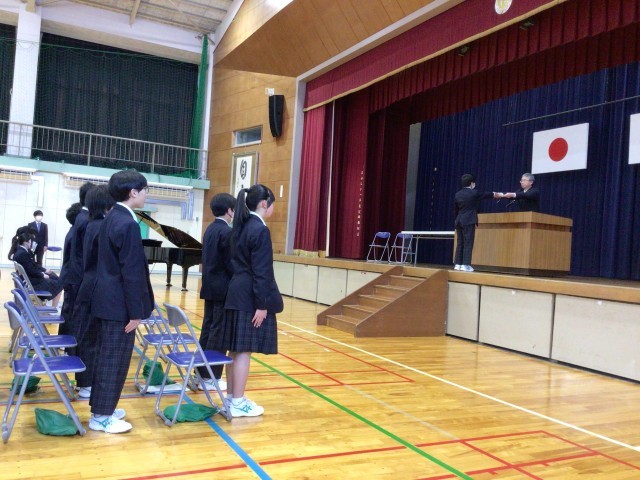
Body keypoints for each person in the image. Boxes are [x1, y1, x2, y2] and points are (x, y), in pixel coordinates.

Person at [89, 170, 154, 434]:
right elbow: (131, 271)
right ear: (133, 192)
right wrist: (136, 312)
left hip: (107, 300)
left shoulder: (111, 217)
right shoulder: (126, 223)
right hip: (118, 305)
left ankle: (104, 407)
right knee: (113, 360)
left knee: (108, 357)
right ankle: (101, 416)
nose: (146, 194)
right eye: (145, 189)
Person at [222, 184, 283, 417]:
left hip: (236, 292)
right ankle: (238, 401)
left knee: (235, 350)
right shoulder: (259, 229)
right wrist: (261, 304)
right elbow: (261, 271)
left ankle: (231, 398)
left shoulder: (240, 226)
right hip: (249, 297)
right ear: (264, 204)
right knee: (243, 351)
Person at [72, 185, 116, 399]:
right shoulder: (99, 226)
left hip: (88, 285)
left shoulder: (91, 223)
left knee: (88, 336)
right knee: (90, 338)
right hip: (93, 288)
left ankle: (85, 382)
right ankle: (86, 383)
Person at [197, 193, 236, 392]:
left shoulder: (211, 229)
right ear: (230, 210)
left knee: (208, 329)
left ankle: (201, 373)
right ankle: (210, 376)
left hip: (210, 286)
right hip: (222, 290)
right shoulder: (226, 232)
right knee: (218, 333)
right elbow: (231, 263)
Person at [59, 182, 96, 340]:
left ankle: (65, 343)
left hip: (71, 274)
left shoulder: (79, 219)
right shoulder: (86, 220)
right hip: (76, 275)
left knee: (69, 311)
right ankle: (69, 345)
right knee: (73, 313)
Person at [454, 174, 500, 272]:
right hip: (469, 220)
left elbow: (455, 209)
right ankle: (466, 264)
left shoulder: (457, 194)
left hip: (459, 220)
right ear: (472, 183)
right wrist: (497, 194)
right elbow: (487, 194)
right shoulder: (474, 192)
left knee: (460, 242)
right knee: (468, 242)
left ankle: (458, 264)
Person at [10, 230, 63, 307]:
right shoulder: (23, 254)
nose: (31, 243)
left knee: (54, 276)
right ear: (26, 242)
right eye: (30, 241)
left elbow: (33, 265)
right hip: (32, 282)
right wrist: (42, 275)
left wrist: (44, 270)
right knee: (59, 285)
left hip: (31, 279)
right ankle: (53, 308)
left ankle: (47, 303)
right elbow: (30, 270)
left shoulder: (22, 251)